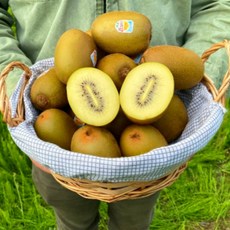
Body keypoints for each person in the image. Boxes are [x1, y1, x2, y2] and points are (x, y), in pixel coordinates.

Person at [0, 1, 230, 230]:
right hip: (53, 133)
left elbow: (216, 4)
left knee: (134, 218)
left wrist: (201, 74)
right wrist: (15, 86)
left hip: (154, 139)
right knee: (71, 216)